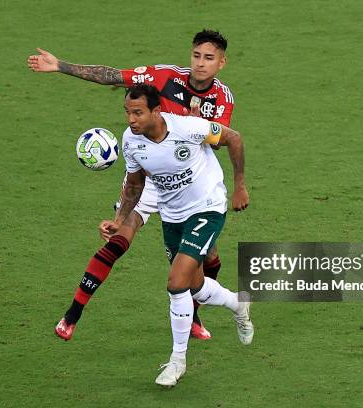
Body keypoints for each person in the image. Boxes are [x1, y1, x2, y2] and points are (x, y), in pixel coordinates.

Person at [28, 29, 234, 340]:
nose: (200, 64)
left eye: (208, 58)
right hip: (146, 176)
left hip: (188, 183)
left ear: (221, 63)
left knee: (207, 258)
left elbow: (220, 141)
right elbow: (112, 76)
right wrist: (60, 66)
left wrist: (197, 121)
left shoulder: (222, 97)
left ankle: (193, 317)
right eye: (196, 56)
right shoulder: (164, 77)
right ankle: (72, 315)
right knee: (118, 236)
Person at [103, 84, 253, 387]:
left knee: (176, 282)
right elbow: (134, 184)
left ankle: (177, 361)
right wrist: (120, 220)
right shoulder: (131, 141)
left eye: (138, 112)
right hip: (172, 217)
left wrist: (239, 186)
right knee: (194, 286)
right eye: (127, 112)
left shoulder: (189, 128)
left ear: (156, 111)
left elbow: (233, 138)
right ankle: (239, 304)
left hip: (207, 208)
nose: (131, 119)